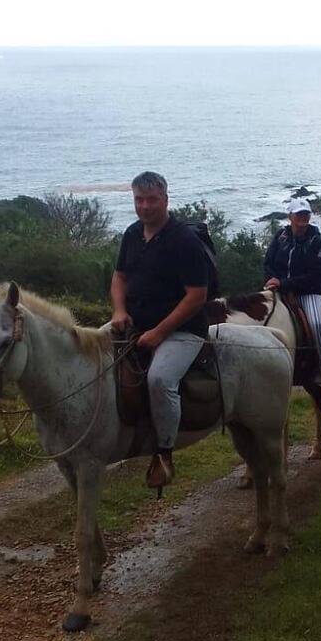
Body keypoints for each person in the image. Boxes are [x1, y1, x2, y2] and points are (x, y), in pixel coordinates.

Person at [109, 171, 211, 489]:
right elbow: (119, 277)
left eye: (152, 200)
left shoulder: (183, 240)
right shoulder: (132, 234)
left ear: (165, 200)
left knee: (160, 379)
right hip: (135, 324)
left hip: (183, 330)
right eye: (139, 200)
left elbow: (197, 295)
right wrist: (119, 310)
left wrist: (159, 332)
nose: (145, 207)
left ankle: (164, 453)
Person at [263, 200, 321, 389]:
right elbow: (268, 261)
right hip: (278, 288)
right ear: (290, 217)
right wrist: (271, 279)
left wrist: (284, 283)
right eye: (298, 214)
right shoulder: (281, 236)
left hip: (308, 291)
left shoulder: (318, 243)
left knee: (317, 324)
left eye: (306, 214)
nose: (303, 218)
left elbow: (316, 276)